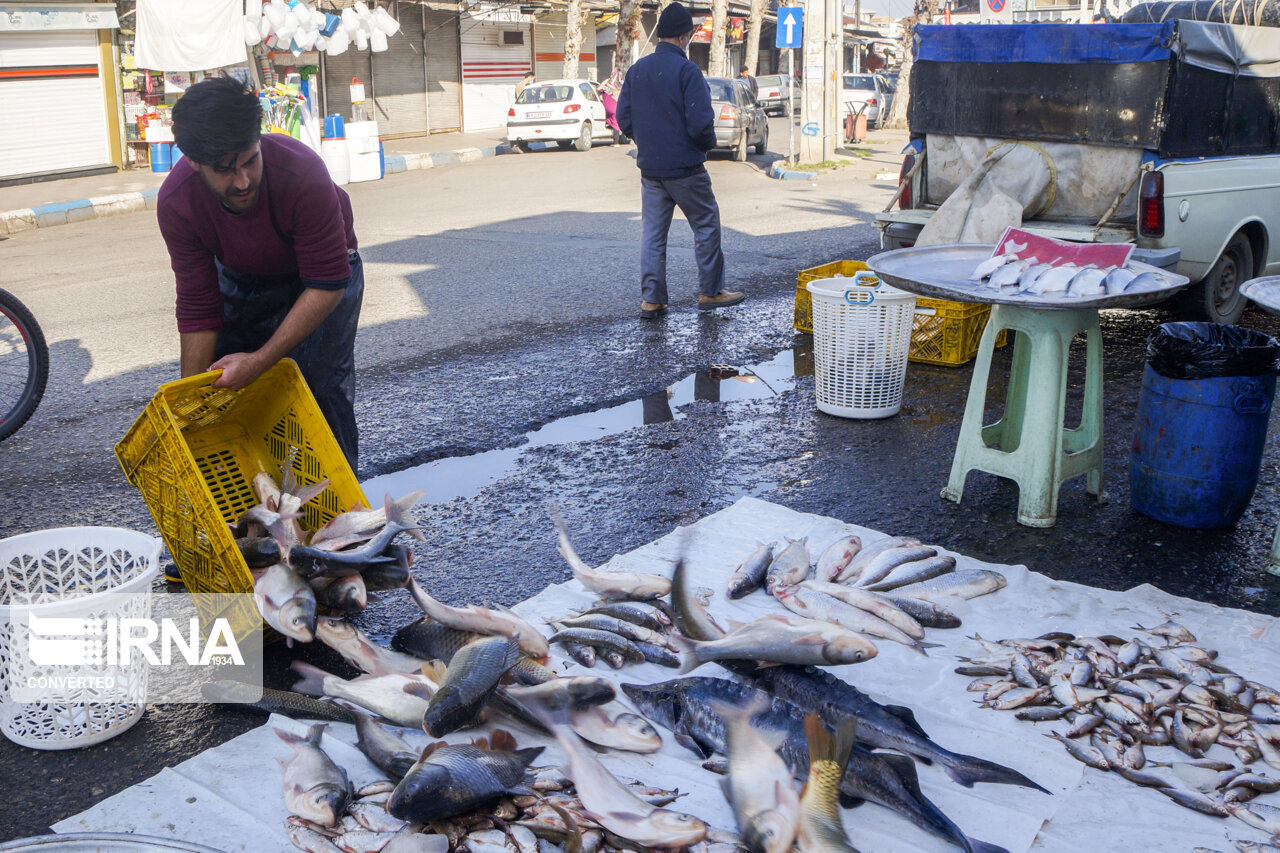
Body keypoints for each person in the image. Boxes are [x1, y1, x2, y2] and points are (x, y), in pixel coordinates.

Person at [158, 77, 363, 468]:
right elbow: (199, 306)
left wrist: (260, 360)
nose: (243, 181)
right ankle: (256, 507)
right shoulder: (177, 201)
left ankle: (342, 516)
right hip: (243, 271)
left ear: (259, 141)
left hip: (324, 277)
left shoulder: (302, 172)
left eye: (250, 160)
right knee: (222, 383)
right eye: (224, 170)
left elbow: (326, 282)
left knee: (319, 386)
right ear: (194, 162)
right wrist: (189, 405)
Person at [617, 2, 744, 319]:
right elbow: (701, 124)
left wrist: (644, 140)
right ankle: (711, 291)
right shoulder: (688, 72)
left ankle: (652, 300)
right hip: (686, 169)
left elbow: (622, 117)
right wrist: (707, 145)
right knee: (706, 226)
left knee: (653, 236)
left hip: (651, 170)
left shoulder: (637, 71)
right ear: (686, 35)